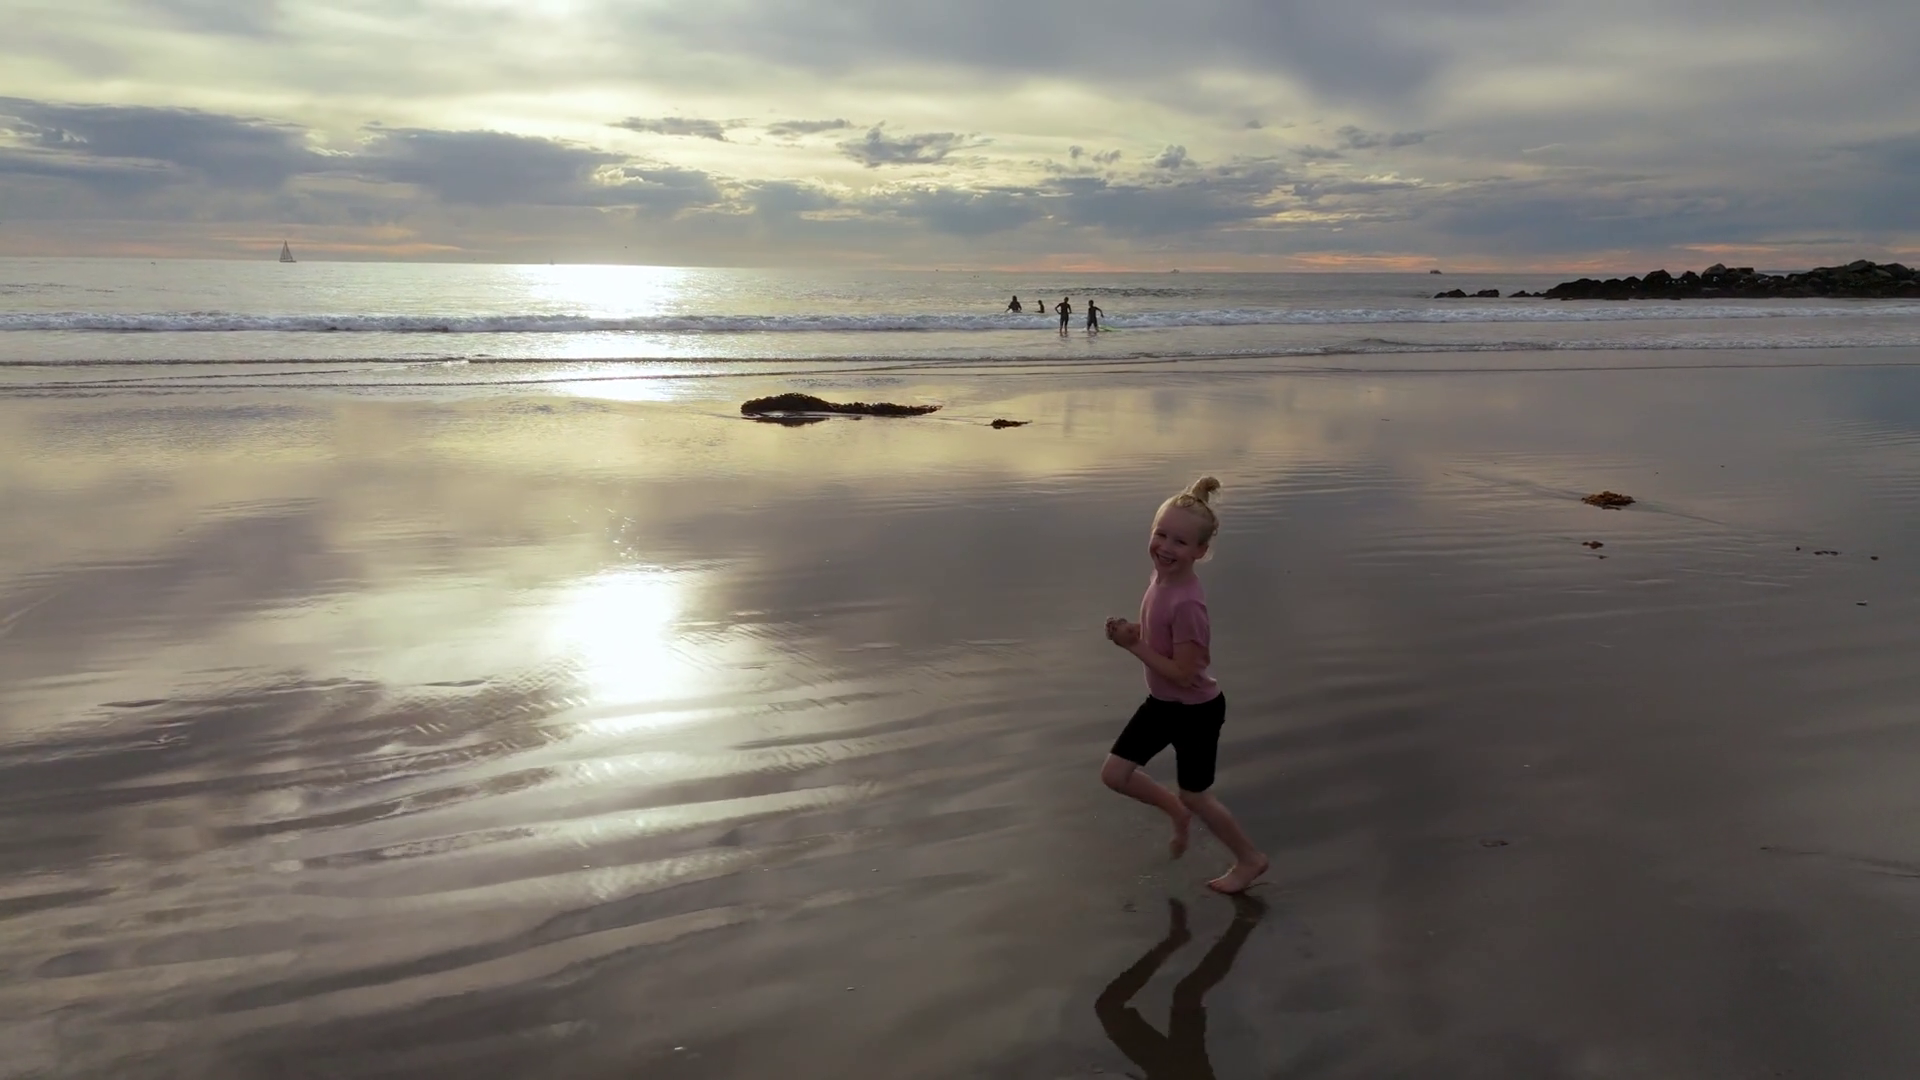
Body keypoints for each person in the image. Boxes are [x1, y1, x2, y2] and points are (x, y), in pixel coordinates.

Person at [1101, 477, 1269, 894]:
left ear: (1200, 551)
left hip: (1195, 712)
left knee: (1197, 794)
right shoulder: (1162, 579)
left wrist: (1133, 646)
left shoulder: (1188, 602)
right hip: (1163, 703)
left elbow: (1184, 673)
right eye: (1161, 534)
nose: (1165, 547)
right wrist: (1137, 631)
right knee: (1115, 774)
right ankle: (1176, 812)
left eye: (1179, 542)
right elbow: (1163, 637)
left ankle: (1250, 859)